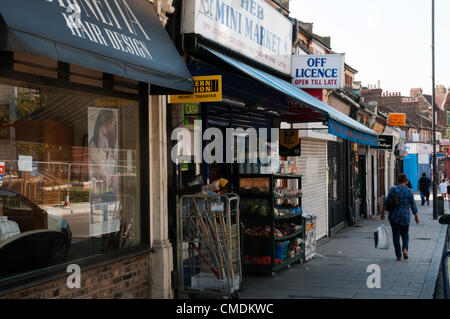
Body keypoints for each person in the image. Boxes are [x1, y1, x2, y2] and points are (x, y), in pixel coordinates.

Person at [380, 173, 419, 261]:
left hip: (394, 216)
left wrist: (382, 213)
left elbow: (386, 202)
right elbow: (413, 205)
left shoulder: (393, 189)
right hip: (405, 215)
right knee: (405, 235)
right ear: (406, 181)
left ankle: (398, 256)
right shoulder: (409, 191)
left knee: (396, 235)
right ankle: (405, 249)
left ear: (398, 180)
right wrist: (416, 217)